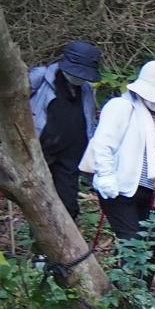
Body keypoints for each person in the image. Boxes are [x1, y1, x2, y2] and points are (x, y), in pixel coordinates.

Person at [83, 59, 155, 272]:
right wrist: (107, 176)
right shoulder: (121, 107)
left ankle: (142, 299)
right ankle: (125, 297)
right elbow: (103, 143)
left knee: (151, 244)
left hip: (152, 190)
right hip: (120, 189)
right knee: (130, 241)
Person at [28, 41, 104, 221]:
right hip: (42, 149)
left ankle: (64, 245)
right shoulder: (40, 78)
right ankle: (40, 245)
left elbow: (89, 120)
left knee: (68, 203)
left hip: (71, 154)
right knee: (40, 201)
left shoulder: (85, 90)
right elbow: (12, 98)